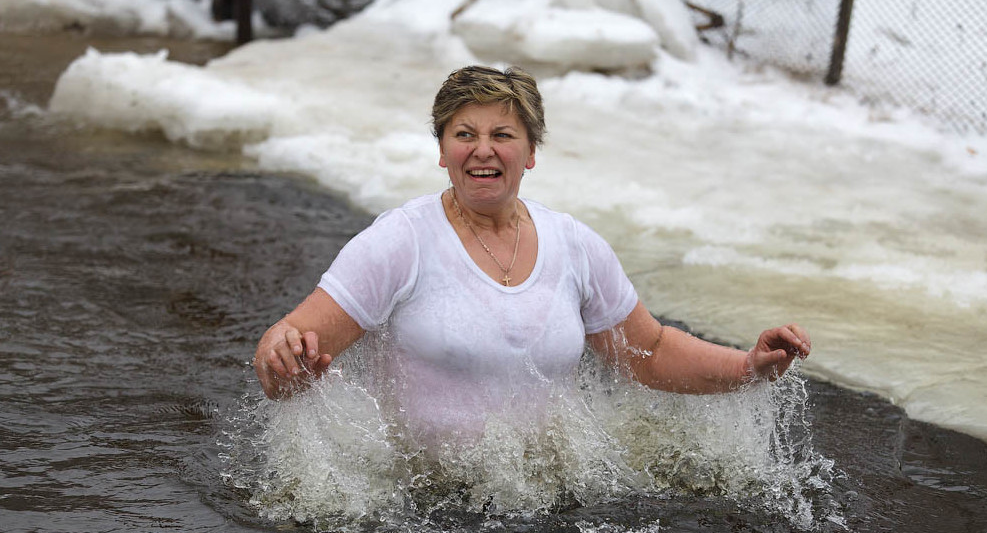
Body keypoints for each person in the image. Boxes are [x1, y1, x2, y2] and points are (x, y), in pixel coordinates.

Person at [254, 65, 810, 432]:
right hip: (418, 520)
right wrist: (281, 359)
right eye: (464, 134)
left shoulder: (574, 245)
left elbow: (651, 352)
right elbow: (292, 341)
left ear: (531, 152)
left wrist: (748, 366)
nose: (482, 150)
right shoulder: (401, 242)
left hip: (545, 513)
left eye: (503, 134)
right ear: (442, 152)